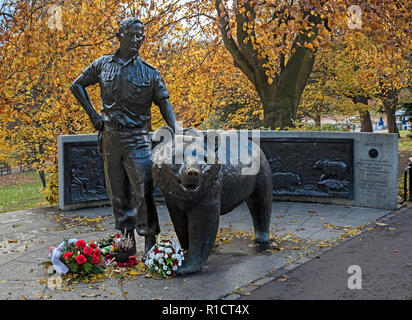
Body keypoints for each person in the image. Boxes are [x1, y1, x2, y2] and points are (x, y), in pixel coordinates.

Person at [70, 17, 180, 255]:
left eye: (140, 35)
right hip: (110, 138)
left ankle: (150, 241)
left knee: (143, 189)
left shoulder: (150, 73)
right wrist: (92, 115)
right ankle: (126, 241)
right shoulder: (102, 65)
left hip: (138, 138)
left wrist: (176, 130)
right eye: (131, 34)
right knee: (117, 191)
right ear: (118, 36)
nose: (137, 39)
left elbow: (164, 103)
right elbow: (76, 85)